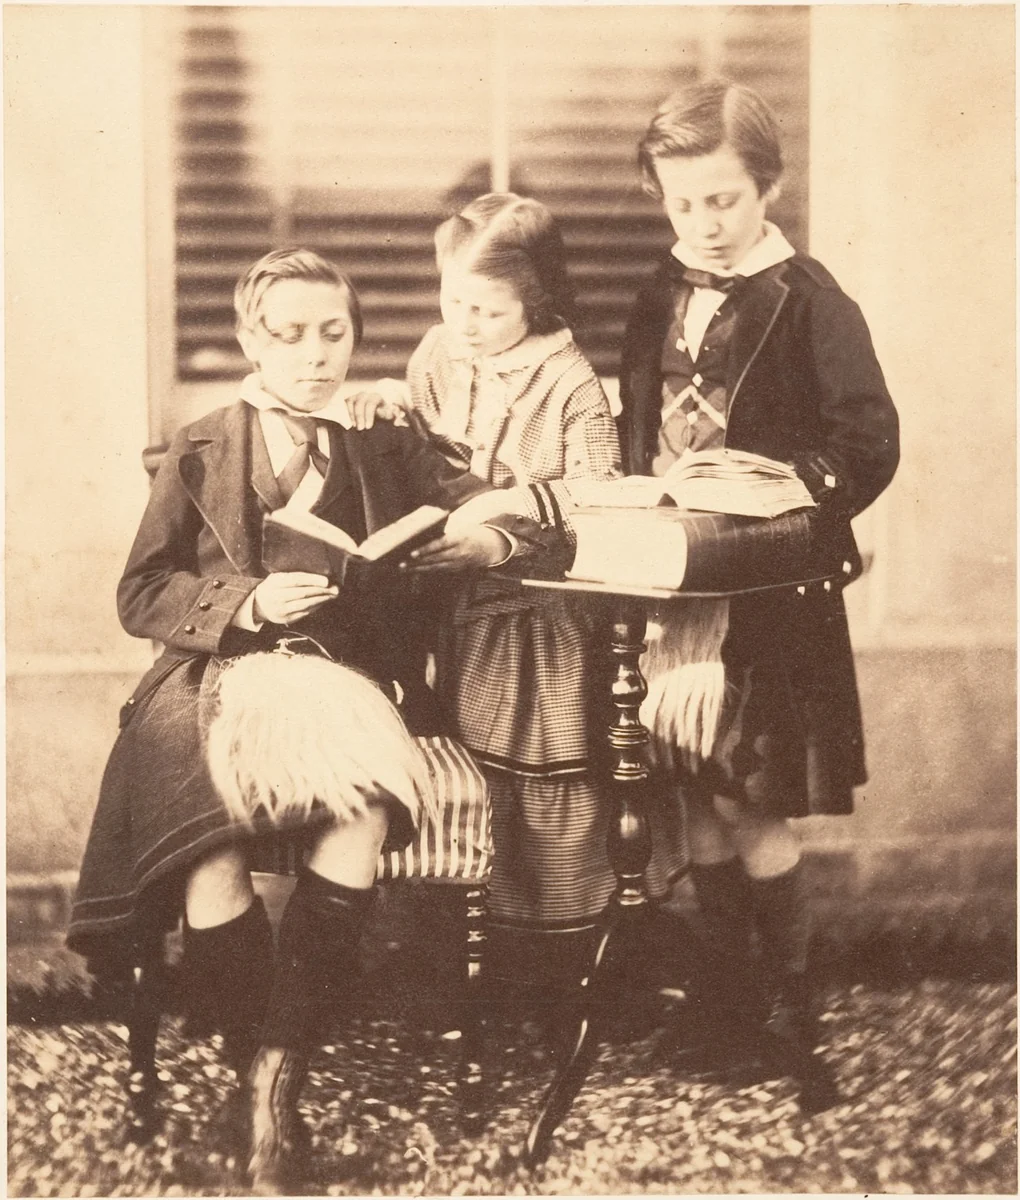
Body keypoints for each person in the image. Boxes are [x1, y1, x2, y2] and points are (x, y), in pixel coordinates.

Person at [66, 248, 559, 1193]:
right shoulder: (204, 443)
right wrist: (246, 602)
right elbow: (141, 591)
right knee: (207, 839)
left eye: (333, 333)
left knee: (365, 804)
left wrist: (481, 535)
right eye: (289, 335)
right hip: (217, 675)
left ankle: (270, 1081)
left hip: (344, 675)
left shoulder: (385, 438)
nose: (314, 355)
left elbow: (497, 510)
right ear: (252, 339)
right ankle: (262, 1070)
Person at [617, 80, 899, 1105]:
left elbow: (866, 438)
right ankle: (727, 999)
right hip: (677, 581)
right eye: (683, 203)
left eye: (724, 201)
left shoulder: (812, 299)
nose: (704, 224)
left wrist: (798, 484)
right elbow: (639, 421)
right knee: (689, 787)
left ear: (768, 186)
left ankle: (791, 1008)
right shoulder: (660, 293)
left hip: (770, 588)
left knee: (748, 793)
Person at [348, 192, 686, 937]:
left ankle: (553, 942)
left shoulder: (571, 387)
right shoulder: (441, 351)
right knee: (453, 764)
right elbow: (428, 448)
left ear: (535, 302)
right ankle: (456, 937)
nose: (464, 325)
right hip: (450, 603)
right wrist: (393, 407)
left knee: (534, 761)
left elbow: (598, 506)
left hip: (541, 618)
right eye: (452, 301)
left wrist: (502, 529)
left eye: (487, 312)